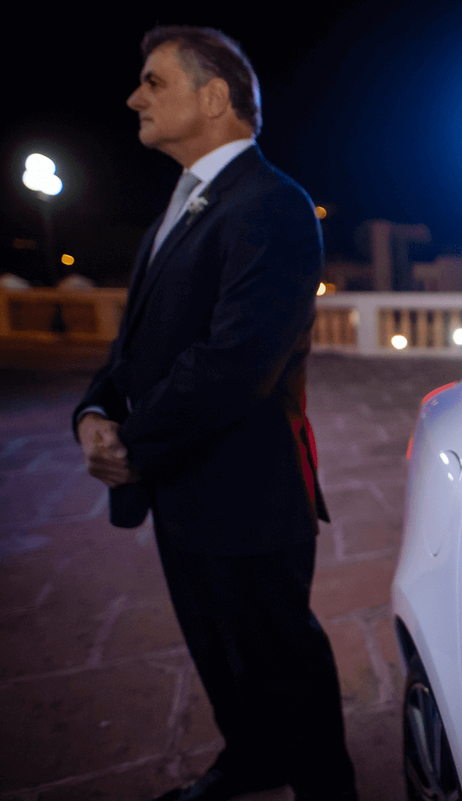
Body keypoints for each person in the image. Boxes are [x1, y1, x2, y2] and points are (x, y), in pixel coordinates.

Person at [73, 26, 356, 801]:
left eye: (153, 81)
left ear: (215, 97)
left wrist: (131, 441)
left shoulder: (275, 204)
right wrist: (94, 410)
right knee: (214, 644)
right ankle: (253, 756)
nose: (134, 97)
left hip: (249, 488)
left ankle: (327, 789)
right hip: (177, 479)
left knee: (278, 652)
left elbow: (236, 362)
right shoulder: (184, 202)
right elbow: (137, 343)